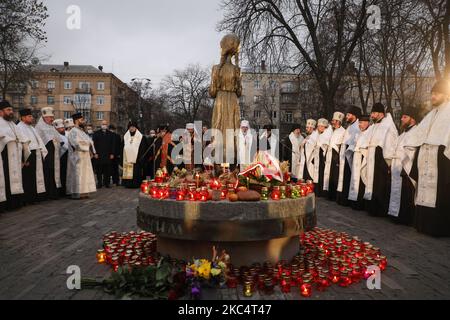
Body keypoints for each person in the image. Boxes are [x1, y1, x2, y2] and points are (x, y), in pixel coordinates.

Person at [405, 80, 450, 236]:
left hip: (441, 159)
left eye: (436, 93)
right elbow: (419, 135)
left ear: (445, 94)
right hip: (426, 156)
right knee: (423, 191)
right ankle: (422, 225)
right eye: (431, 93)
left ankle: (437, 228)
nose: (433, 96)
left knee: (440, 193)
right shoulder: (431, 114)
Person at [210, 34, 242, 162]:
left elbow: (212, 92)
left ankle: (218, 159)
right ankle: (232, 159)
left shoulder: (216, 69)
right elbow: (239, 92)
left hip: (220, 100)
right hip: (233, 101)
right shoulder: (237, 69)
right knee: (233, 128)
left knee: (218, 126)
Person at [362, 103, 398, 217]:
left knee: (380, 184)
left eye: (373, 113)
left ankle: (380, 210)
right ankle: (372, 208)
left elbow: (391, 144)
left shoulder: (388, 126)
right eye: (372, 113)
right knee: (372, 183)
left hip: (381, 160)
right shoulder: (374, 126)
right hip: (372, 157)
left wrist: (388, 162)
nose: (371, 115)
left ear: (381, 113)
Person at [388, 108, 419, 225]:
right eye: (402, 117)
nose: (401, 119)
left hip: (406, 169)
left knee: (406, 194)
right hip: (397, 167)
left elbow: (412, 152)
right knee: (396, 192)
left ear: (413, 119)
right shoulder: (403, 134)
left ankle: (405, 218)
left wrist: (406, 168)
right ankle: (395, 215)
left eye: (405, 117)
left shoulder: (416, 132)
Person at [0, 101, 26, 212]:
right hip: (5, 156)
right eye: (8, 110)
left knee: (16, 178)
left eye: (11, 110)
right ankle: (7, 204)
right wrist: (8, 140)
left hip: (15, 155)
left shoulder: (12, 124)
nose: (11, 112)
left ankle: (15, 203)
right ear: (1, 112)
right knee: (6, 179)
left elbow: (22, 138)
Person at [17, 108, 47, 204]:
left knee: (35, 177)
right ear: (23, 117)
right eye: (29, 116)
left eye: (31, 116)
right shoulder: (19, 128)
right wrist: (24, 158)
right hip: (28, 155)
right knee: (28, 178)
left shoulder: (32, 128)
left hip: (36, 154)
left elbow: (39, 141)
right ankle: (28, 198)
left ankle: (35, 197)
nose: (32, 118)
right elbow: (21, 144)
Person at [66, 113, 97, 199]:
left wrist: (91, 147)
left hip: (85, 156)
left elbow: (90, 141)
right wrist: (87, 145)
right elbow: (76, 143)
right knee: (78, 175)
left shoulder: (81, 131)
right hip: (77, 157)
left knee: (85, 174)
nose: (83, 121)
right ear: (76, 120)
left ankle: (84, 192)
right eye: (81, 119)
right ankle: (77, 192)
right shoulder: (73, 131)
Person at [336, 106, 361, 206]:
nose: (346, 116)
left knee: (349, 177)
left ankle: (349, 200)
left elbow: (356, 142)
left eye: (348, 115)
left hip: (351, 156)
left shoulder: (357, 127)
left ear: (354, 116)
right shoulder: (350, 126)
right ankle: (344, 199)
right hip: (346, 155)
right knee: (345, 177)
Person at [35, 107, 61, 200]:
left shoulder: (52, 127)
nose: (52, 119)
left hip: (54, 154)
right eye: (50, 117)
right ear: (44, 117)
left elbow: (58, 138)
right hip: (46, 154)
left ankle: (53, 193)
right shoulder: (39, 127)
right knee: (47, 173)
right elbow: (39, 141)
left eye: (52, 117)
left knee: (53, 173)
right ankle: (47, 194)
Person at [348, 115, 371, 210]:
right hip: (356, 158)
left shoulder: (369, 133)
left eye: (361, 123)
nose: (360, 125)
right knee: (355, 180)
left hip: (363, 159)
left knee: (361, 181)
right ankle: (355, 201)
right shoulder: (359, 133)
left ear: (367, 123)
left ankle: (361, 203)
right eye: (359, 123)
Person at [323, 112, 346, 201]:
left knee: (335, 176)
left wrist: (337, 160)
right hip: (330, 156)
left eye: (334, 121)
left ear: (338, 121)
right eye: (332, 121)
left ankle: (335, 196)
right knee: (330, 176)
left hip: (336, 158)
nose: (332, 122)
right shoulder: (333, 131)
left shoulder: (343, 131)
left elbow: (340, 146)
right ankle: (330, 195)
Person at [122, 122, 150, 188]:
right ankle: (127, 184)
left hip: (137, 159)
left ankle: (136, 184)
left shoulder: (141, 137)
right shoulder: (126, 136)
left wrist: (140, 157)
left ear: (136, 128)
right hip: (127, 159)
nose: (131, 128)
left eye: (133, 127)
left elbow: (143, 148)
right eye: (130, 127)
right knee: (128, 171)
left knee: (136, 172)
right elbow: (122, 147)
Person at [93, 120, 115, 188]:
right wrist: (95, 153)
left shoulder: (110, 134)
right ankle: (99, 183)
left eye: (105, 124)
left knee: (107, 170)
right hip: (99, 155)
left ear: (107, 125)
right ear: (101, 125)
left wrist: (112, 153)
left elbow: (112, 144)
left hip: (107, 155)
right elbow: (94, 144)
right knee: (99, 170)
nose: (104, 125)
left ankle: (107, 183)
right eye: (103, 124)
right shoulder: (96, 133)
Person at [313, 119, 332, 197]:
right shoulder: (320, 134)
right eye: (318, 126)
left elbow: (324, 145)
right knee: (318, 174)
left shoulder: (327, 134)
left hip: (323, 158)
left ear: (324, 127)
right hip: (318, 157)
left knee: (322, 174)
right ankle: (318, 191)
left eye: (320, 126)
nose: (318, 128)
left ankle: (322, 192)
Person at [54, 119, 69, 196]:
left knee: (67, 174)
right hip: (61, 158)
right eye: (60, 128)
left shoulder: (67, 134)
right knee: (61, 175)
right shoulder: (55, 135)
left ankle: (67, 190)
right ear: (56, 129)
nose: (62, 129)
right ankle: (61, 191)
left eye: (63, 128)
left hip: (68, 157)